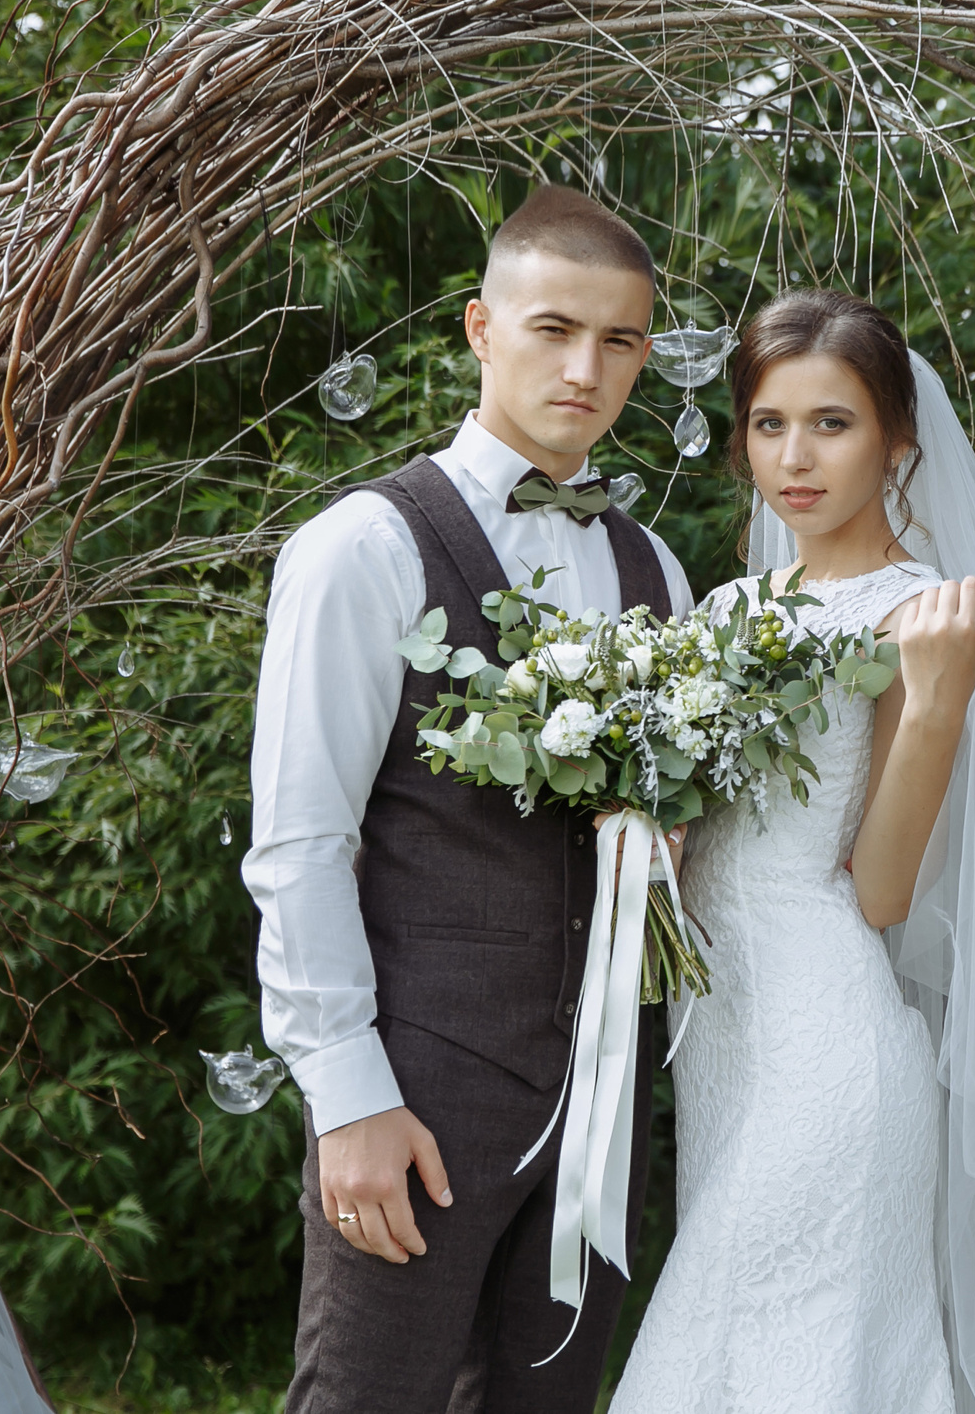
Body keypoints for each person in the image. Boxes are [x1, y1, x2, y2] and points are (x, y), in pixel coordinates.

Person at [611, 289, 975, 1414]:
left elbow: (884, 892)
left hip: (831, 1052)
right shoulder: (727, 612)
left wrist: (939, 704)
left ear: (900, 439)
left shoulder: (926, 617)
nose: (793, 458)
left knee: (752, 1361)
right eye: (768, 424)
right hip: (722, 1049)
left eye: (832, 423)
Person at [243, 185, 693, 1413]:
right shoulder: (364, 547)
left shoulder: (656, 567)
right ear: (479, 329)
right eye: (552, 328)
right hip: (419, 1089)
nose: (586, 369)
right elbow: (298, 846)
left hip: (601, 1102)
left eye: (620, 340)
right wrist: (350, 1101)